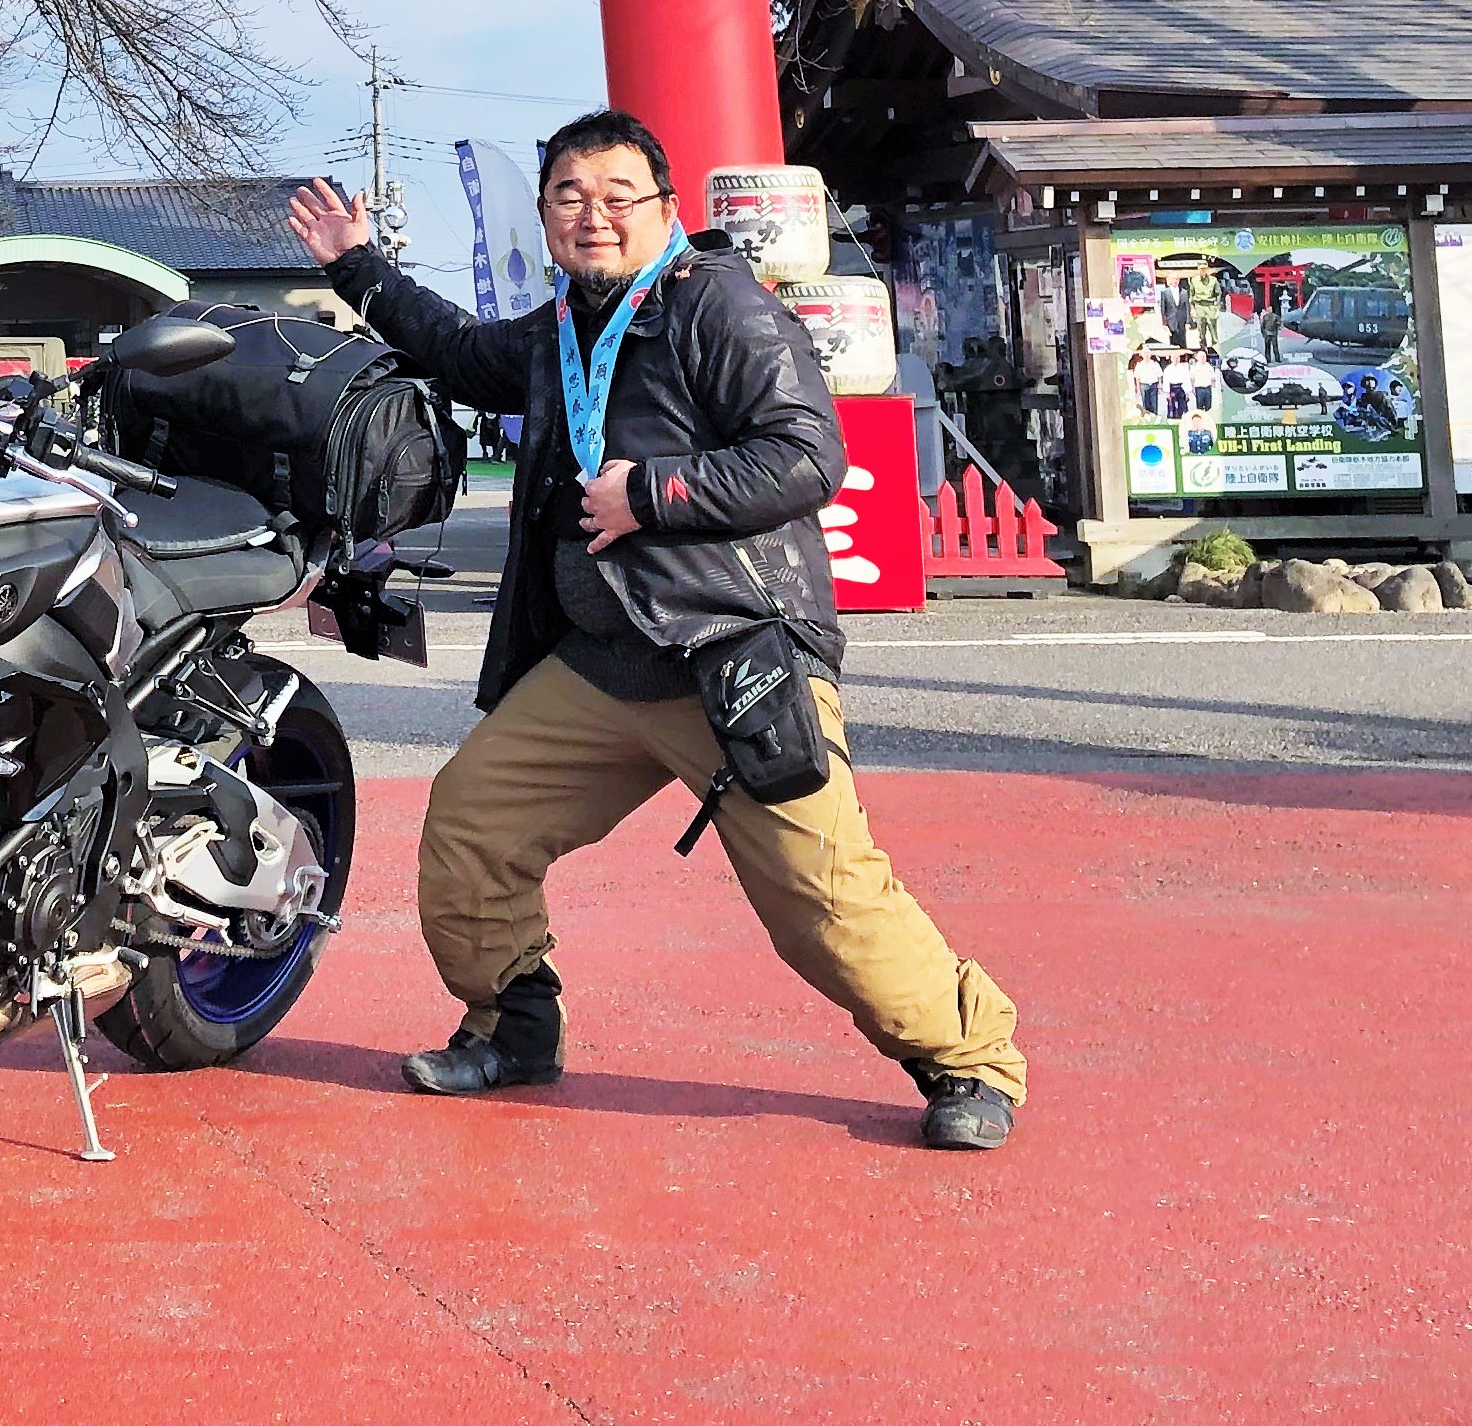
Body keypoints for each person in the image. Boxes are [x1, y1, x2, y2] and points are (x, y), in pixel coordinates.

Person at [284, 110, 1026, 1150]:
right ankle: (514, 1028)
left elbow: (811, 455)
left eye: (617, 196)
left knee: (821, 899)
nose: (593, 215)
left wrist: (658, 494)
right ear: (545, 217)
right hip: (600, 664)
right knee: (469, 826)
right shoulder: (560, 331)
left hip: (730, 656)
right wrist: (356, 263)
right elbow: (453, 349)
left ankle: (970, 1059)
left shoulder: (717, 306)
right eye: (569, 197)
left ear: (664, 210)